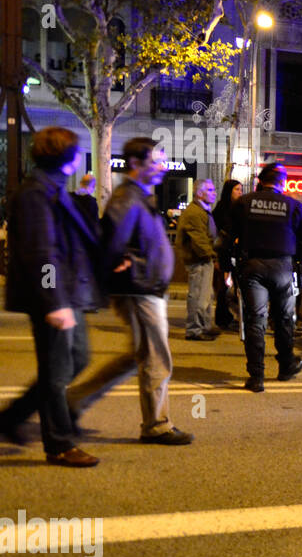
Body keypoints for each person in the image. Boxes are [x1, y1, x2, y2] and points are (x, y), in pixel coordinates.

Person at [70, 137, 194, 445]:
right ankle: (156, 425)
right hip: (139, 289)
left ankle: (71, 403)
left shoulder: (137, 196)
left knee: (136, 358)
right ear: (136, 164)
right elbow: (110, 241)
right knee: (156, 358)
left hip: (145, 287)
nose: (163, 166)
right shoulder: (127, 198)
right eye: (156, 160)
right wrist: (123, 263)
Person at [0, 128, 103, 466]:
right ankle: (58, 444)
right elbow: (41, 254)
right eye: (76, 151)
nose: (79, 157)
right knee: (57, 371)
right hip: (54, 295)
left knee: (76, 360)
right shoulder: (35, 193)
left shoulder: (53, 188)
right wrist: (53, 301)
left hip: (67, 291)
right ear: (67, 157)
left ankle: (12, 417)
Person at [232, 162, 302, 393]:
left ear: (261, 180)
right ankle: (286, 365)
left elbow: (226, 236)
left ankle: (256, 376)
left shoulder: (244, 203)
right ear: (282, 182)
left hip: (253, 265)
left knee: (255, 320)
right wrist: (300, 260)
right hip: (283, 267)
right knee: (284, 319)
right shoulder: (293, 206)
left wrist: (228, 262)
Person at [177, 179, 220, 341]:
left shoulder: (202, 211)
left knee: (206, 296)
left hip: (203, 259)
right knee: (198, 296)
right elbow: (200, 240)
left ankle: (205, 326)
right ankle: (194, 329)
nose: (214, 193)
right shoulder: (195, 213)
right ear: (199, 193)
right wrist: (212, 256)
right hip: (199, 260)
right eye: (209, 190)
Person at [211, 179, 243, 330]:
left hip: (236, 253)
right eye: (236, 189)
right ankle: (222, 317)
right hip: (223, 253)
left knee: (235, 287)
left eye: (241, 189)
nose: (239, 192)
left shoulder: (240, 208)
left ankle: (233, 315)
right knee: (223, 287)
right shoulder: (221, 209)